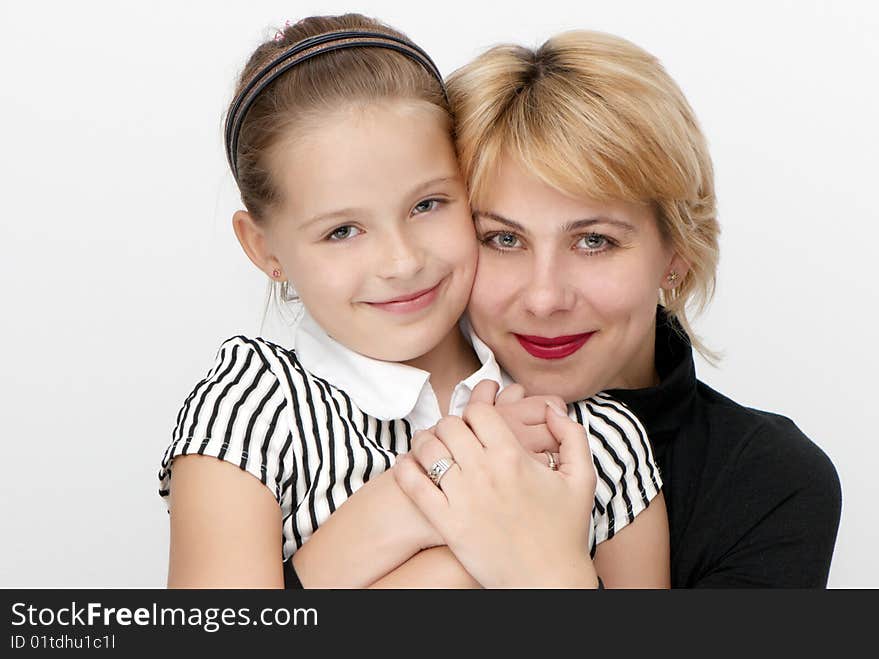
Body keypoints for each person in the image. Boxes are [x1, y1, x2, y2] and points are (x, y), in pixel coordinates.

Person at [158, 14, 667, 588]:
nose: (401, 262)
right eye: (342, 231)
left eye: (427, 205)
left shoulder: (594, 437)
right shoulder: (253, 414)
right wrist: (417, 524)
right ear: (263, 246)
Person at [387, 29, 841, 587]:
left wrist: (546, 573)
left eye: (594, 240)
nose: (545, 297)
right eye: (503, 239)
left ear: (677, 251)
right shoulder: (342, 419)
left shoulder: (769, 482)